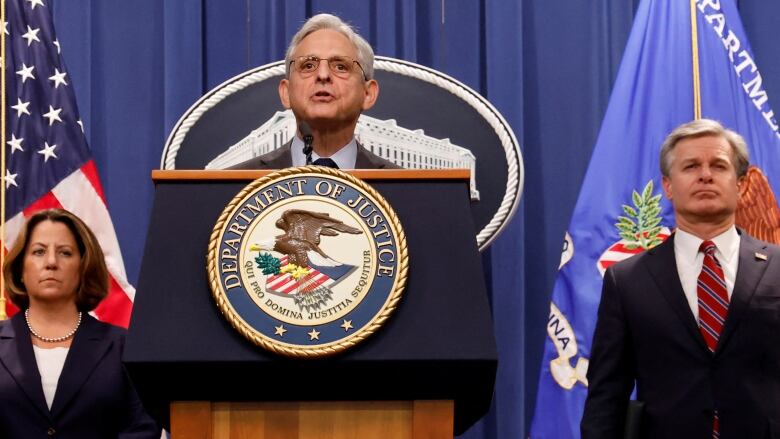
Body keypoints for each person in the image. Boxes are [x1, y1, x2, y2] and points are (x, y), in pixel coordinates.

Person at [581, 119, 780, 439]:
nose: (705, 174)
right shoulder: (627, 280)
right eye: (690, 166)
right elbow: (607, 396)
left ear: (741, 184)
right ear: (668, 186)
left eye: (718, 165)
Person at [0, 209, 160, 438]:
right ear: (21, 269)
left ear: (83, 266)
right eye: (38, 252)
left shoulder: (122, 348)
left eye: (65, 253)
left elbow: (142, 428)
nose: (51, 262)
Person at [229, 13, 399, 170]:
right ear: (286, 93)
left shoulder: (407, 187)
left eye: (340, 66)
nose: (323, 75)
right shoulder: (235, 185)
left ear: (368, 94)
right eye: (308, 66)